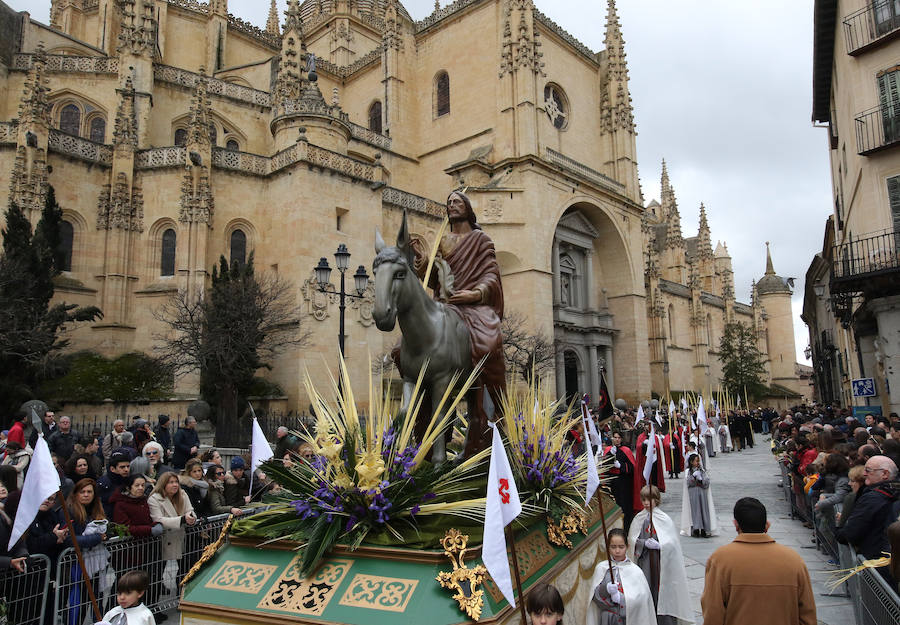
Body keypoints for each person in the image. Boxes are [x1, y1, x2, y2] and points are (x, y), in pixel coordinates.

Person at [408, 190, 506, 457]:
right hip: (443, 306)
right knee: (401, 349)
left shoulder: (481, 239)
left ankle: (490, 406)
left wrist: (475, 293)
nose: (452, 205)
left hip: (473, 307)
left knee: (487, 343)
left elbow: (492, 275)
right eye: (449, 202)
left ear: (468, 208)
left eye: (457, 202)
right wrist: (421, 263)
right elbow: (432, 280)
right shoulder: (441, 240)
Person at [701, 497, 816, 625]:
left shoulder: (719, 560)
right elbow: (808, 615)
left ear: (736, 525)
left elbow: (713, 613)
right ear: (767, 525)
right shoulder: (794, 561)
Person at [627, 486, 693, 624]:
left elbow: (672, 543)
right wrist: (644, 544)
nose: (646, 503)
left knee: (662, 592)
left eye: (650, 499)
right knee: (646, 589)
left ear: (657, 500)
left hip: (661, 564)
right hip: (644, 561)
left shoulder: (664, 519)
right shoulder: (639, 519)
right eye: (644, 499)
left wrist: (661, 546)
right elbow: (632, 540)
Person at [836, 455, 900, 584]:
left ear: (885, 474)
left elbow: (853, 531)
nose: (864, 474)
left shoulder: (874, 497)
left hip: (877, 560)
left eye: (868, 470)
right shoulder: (890, 491)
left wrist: (839, 532)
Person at [61, 478, 109, 625]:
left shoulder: (97, 510)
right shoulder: (68, 510)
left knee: (96, 597)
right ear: (76, 494)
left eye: (89, 492)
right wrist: (97, 538)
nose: (86, 495)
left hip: (95, 561)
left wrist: (106, 535)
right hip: (75, 562)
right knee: (77, 601)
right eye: (82, 492)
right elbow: (70, 539)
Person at [586, 528, 656, 625]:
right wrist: (605, 589)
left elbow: (642, 600)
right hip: (608, 620)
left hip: (628, 620)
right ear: (608, 547)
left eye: (621, 547)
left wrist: (621, 599)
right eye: (613, 547)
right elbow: (594, 598)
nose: (617, 551)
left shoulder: (635, 571)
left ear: (627, 546)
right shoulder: (602, 568)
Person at [148, 471, 197, 598]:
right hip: (163, 538)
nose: (175, 485)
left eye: (176, 482)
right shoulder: (154, 498)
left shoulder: (182, 494)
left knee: (185, 570)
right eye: (171, 482)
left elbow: (190, 510)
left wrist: (191, 517)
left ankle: (182, 597)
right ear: (163, 484)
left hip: (180, 536)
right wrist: (182, 520)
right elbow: (158, 518)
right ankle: (155, 605)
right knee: (157, 574)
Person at [604, 431, 640, 530]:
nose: (617, 439)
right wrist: (611, 454)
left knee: (625, 507)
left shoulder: (626, 450)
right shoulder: (608, 450)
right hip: (612, 483)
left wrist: (621, 466)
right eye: (615, 437)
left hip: (624, 483)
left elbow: (632, 468)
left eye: (619, 437)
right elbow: (604, 465)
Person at [680, 452, 717, 537]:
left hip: (702, 493)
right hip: (693, 494)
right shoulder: (688, 472)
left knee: (704, 510)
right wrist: (693, 477)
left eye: (698, 461)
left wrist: (701, 479)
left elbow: (707, 482)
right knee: (695, 511)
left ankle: (704, 529)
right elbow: (688, 483)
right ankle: (696, 529)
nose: (698, 463)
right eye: (696, 461)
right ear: (692, 462)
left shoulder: (702, 470)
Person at [97, 452, 132, 518]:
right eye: (122, 467)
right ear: (112, 469)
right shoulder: (104, 484)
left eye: (128, 466)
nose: (126, 470)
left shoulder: (130, 481)